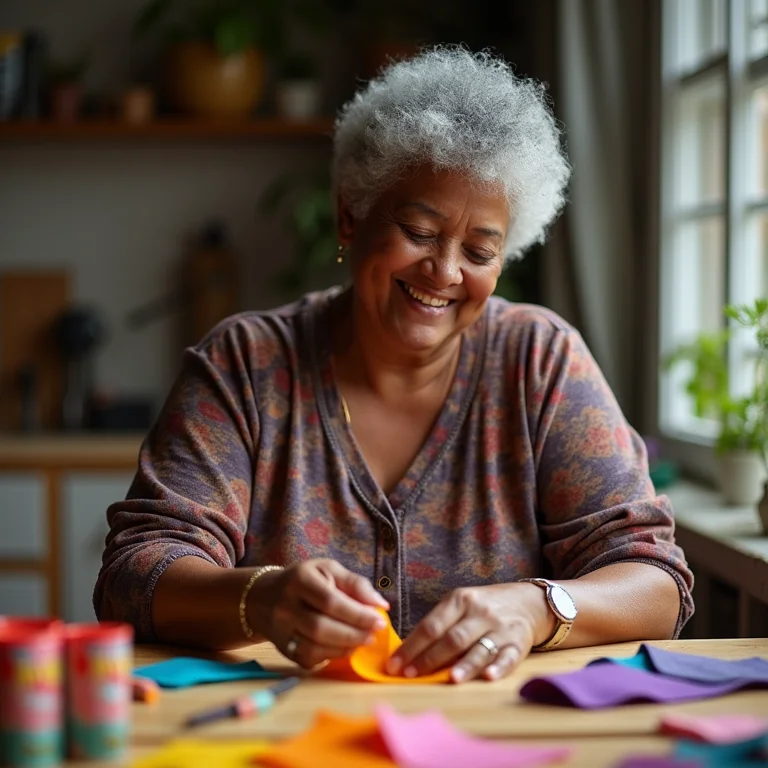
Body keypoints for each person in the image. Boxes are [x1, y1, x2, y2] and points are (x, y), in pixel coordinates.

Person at [95, 47, 693, 684]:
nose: (444, 272)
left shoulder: (539, 361)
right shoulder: (245, 365)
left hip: (496, 738)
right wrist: (261, 598)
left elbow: (657, 581)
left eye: (480, 250)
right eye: (420, 231)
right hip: (286, 736)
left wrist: (539, 606)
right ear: (350, 215)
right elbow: (135, 575)